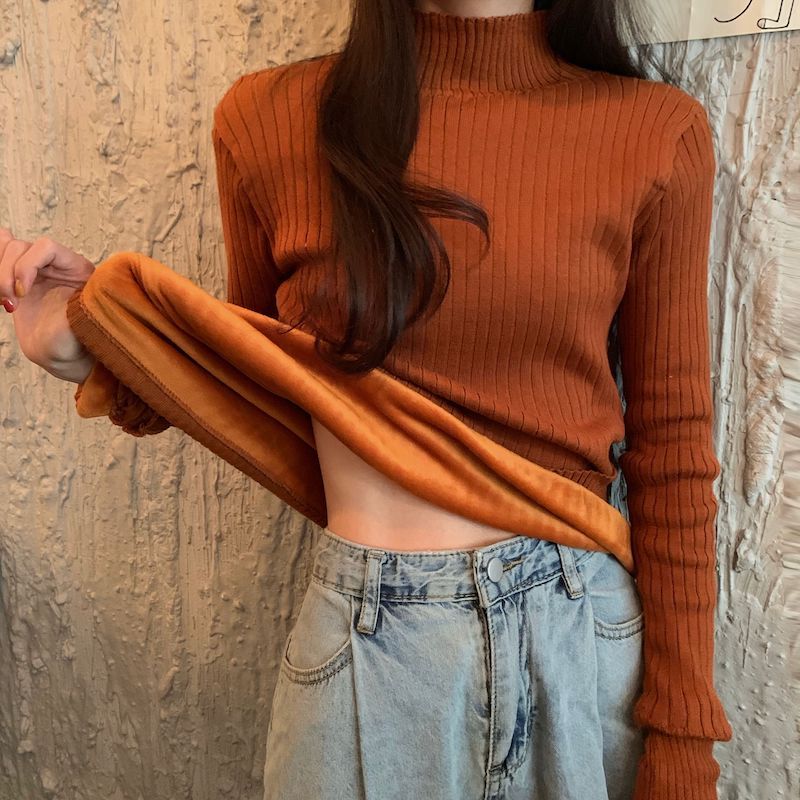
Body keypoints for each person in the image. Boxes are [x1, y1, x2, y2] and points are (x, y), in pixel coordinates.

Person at [0, 0, 734, 798]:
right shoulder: (270, 122)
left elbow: (672, 447)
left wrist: (685, 735)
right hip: (368, 650)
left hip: (580, 640)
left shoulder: (655, 132)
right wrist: (94, 342)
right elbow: (255, 386)